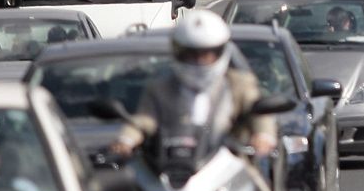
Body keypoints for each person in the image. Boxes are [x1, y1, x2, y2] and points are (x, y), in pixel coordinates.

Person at [109, 12, 277, 166]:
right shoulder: (161, 86)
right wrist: (126, 140)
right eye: (191, 54)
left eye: (206, 54)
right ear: (178, 52)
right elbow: (144, 120)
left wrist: (263, 136)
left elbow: (258, 110)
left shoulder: (238, 83)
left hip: (230, 164)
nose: (198, 61)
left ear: (220, 52)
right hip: (170, 165)